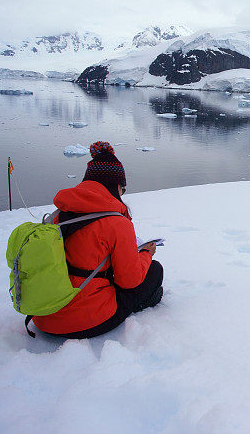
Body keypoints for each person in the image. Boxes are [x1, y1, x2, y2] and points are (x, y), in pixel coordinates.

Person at [32, 141, 163, 339]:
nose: (122, 194)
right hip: (82, 319)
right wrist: (145, 254)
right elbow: (129, 281)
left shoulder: (59, 214)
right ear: (115, 186)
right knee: (155, 271)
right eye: (122, 189)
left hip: (42, 314)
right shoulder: (118, 223)